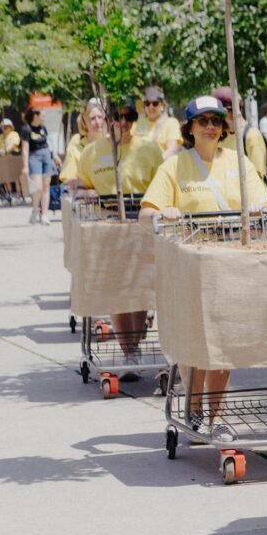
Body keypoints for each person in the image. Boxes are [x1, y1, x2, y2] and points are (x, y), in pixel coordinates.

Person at [140, 95, 267, 438]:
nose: (211, 127)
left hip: (231, 265)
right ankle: (195, 404)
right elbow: (146, 213)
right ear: (190, 128)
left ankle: (217, 414)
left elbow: (262, 203)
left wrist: (260, 211)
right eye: (204, 122)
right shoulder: (174, 167)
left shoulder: (239, 163)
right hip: (190, 267)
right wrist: (163, 213)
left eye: (216, 120)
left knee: (224, 342)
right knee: (196, 342)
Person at [77, 100, 163, 377]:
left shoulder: (149, 149)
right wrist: (86, 193)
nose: (123, 122)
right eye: (118, 116)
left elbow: (160, 188)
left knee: (138, 291)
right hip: (108, 227)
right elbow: (81, 186)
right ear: (109, 118)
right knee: (117, 291)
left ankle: (134, 348)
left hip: (140, 225)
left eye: (129, 117)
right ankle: (129, 352)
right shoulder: (92, 152)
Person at [212, 86, 267, 179]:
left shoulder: (252, 136)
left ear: (226, 112)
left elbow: (258, 176)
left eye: (215, 114)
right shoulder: (221, 135)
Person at [20, 107, 61, 225]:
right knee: (37, 187)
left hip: (46, 155)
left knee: (46, 186)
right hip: (34, 157)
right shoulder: (26, 129)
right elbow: (25, 149)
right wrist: (25, 166)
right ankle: (35, 209)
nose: (44, 116)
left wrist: (54, 156)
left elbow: (47, 143)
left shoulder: (43, 128)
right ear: (35, 115)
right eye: (42, 114)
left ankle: (44, 215)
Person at [60, 99, 106, 188]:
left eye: (100, 117)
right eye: (92, 118)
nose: (97, 122)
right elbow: (69, 180)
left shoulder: (112, 144)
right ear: (84, 122)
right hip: (88, 200)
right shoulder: (75, 150)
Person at [132, 86, 182, 160]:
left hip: (161, 168)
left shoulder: (171, 123)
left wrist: (153, 164)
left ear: (162, 104)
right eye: (147, 103)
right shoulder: (137, 124)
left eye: (155, 103)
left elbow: (172, 150)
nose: (151, 107)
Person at [0, 118, 22, 201]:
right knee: (5, 178)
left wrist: (5, 150)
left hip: (13, 157)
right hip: (3, 159)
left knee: (16, 177)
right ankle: (8, 194)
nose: (4, 128)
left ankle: (18, 193)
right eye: (3, 126)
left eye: (6, 126)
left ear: (10, 127)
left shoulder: (14, 134)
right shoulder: (0, 137)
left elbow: (13, 145)